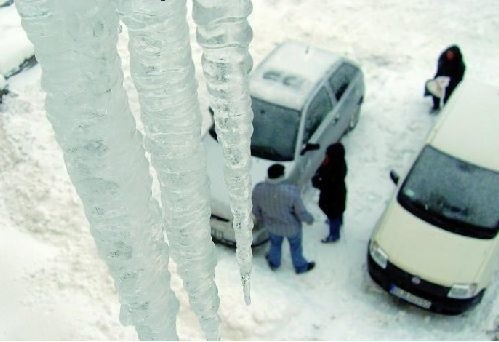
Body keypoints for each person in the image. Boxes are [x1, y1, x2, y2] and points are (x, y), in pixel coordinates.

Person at [252, 163, 315, 274]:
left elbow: (256, 210)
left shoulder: (258, 189)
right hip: (292, 228)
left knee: (275, 244)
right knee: (295, 247)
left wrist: (262, 219)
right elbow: (301, 212)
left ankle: (274, 262)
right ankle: (300, 266)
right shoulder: (291, 191)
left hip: (272, 226)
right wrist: (309, 219)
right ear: (281, 176)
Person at [312, 142, 347, 243]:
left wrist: (316, 182)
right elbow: (322, 168)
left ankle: (334, 235)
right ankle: (338, 222)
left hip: (332, 197)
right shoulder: (337, 162)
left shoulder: (335, 170)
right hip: (336, 195)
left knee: (333, 214)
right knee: (337, 212)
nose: (326, 155)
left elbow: (327, 184)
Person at [430, 45, 466, 111]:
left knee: (449, 96)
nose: (449, 55)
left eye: (451, 54)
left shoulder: (460, 65)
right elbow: (439, 71)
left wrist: (449, 81)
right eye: (448, 53)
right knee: (435, 88)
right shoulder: (442, 59)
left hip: (452, 81)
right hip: (442, 78)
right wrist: (437, 79)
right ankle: (436, 106)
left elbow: (459, 78)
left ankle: (446, 109)